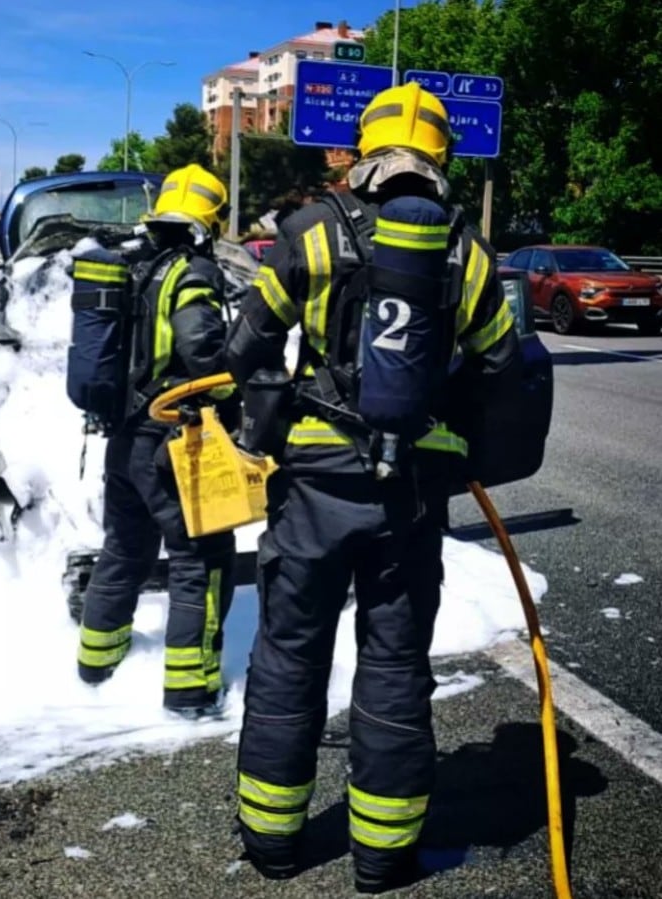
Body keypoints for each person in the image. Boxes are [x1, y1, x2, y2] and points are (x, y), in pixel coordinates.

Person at [224, 82, 522, 892]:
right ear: (437, 155)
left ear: (361, 151)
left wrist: (269, 423)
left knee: (289, 655)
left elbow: (246, 344)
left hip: (313, 484)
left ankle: (272, 842)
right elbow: (500, 364)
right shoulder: (463, 250)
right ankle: (382, 855)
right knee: (393, 665)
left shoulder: (310, 231)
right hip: (410, 494)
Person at [75, 164, 240, 720]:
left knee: (124, 549)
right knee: (201, 559)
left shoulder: (132, 265)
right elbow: (200, 345)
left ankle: (95, 667)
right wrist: (236, 376)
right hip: (173, 439)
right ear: (209, 218)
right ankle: (190, 692)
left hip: (122, 437)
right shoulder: (192, 270)